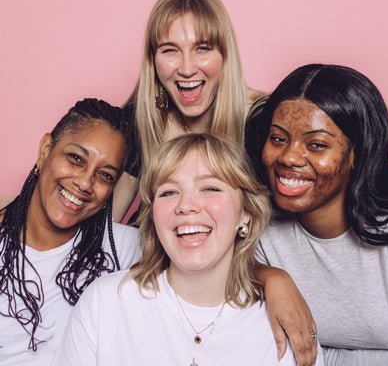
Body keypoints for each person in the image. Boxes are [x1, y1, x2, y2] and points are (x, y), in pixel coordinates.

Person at [54, 133, 325, 366]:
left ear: (246, 213)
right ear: (153, 216)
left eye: (209, 188)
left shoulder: (285, 320)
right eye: (169, 192)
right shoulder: (106, 303)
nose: (186, 205)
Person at [245, 64, 388, 365]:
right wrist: (270, 276)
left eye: (317, 145)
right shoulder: (258, 223)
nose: (289, 157)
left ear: (356, 155)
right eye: (278, 139)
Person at [0, 99, 140, 365]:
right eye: (76, 159)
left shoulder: (126, 250)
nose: (86, 183)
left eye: (106, 175)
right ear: (45, 151)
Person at [112, 0, 264, 223]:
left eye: (202, 48)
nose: (187, 69)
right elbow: (104, 232)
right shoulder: (140, 120)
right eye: (170, 50)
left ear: (225, 54)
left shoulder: (261, 121)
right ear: (153, 60)